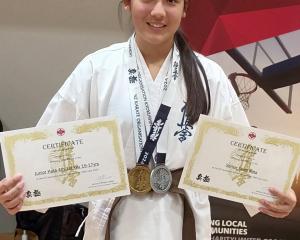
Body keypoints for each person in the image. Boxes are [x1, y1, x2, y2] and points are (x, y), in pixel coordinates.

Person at [0, 0, 297, 239]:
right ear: (128, 3)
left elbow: (243, 153)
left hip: (185, 223)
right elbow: (45, 150)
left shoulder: (210, 76)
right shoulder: (96, 69)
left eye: (171, 1)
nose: (158, 11)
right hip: (114, 220)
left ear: (185, 7)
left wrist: (274, 195)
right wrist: (21, 190)